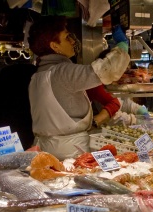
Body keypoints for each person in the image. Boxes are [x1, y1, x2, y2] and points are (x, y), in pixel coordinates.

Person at [27, 16, 130, 160]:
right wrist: (122, 46)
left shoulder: (38, 76)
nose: (73, 41)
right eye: (67, 37)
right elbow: (108, 70)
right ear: (54, 46)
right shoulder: (63, 71)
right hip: (69, 152)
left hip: (44, 147)